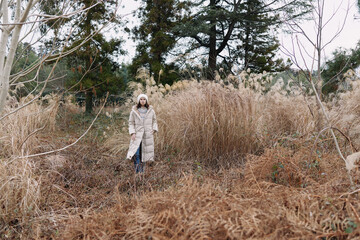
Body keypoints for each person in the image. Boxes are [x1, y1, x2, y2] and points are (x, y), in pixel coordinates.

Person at [126, 94, 158, 174]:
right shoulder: (134, 111)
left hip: (147, 135)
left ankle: (142, 173)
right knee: (136, 153)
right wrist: (132, 133)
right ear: (138, 101)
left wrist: (154, 129)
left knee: (144, 154)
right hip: (137, 135)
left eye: (144, 99)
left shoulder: (151, 110)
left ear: (146, 100)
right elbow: (131, 123)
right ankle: (138, 172)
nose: (143, 100)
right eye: (141, 99)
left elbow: (154, 121)